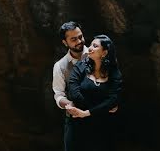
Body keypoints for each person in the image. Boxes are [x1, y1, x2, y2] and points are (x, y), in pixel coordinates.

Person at [66, 34, 123, 150]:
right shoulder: (80, 66)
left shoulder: (114, 73)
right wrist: (103, 108)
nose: (90, 48)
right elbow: (74, 93)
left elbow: (114, 99)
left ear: (104, 53)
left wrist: (87, 113)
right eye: (91, 44)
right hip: (78, 124)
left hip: (103, 127)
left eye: (95, 46)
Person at [52, 21, 87, 151]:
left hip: (99, 117)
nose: (79, 41)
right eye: (74, 39)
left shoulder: (98, 55)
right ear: (65, 42)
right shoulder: (60, 66)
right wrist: (69, 104)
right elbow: (59, 95)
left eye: (80, 37)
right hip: (75, 121)